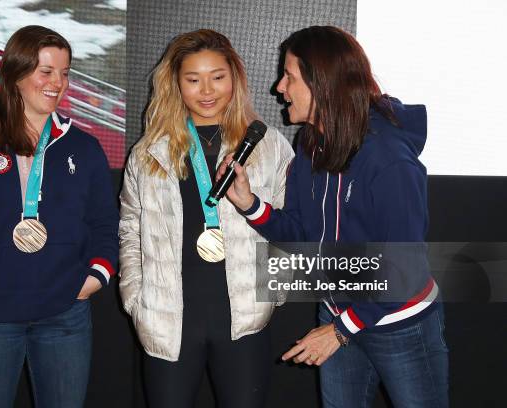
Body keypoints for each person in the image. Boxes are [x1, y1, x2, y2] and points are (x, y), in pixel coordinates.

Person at [218, 26, 448, 408]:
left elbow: (403, 268)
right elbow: (303, 234)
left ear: (322, 83)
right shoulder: (310, 143)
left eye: (289, 76)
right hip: (338, 315)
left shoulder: (388, 158)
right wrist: (249, 204)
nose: (279, 88)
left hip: (399, 325)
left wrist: (340, 331)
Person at [0, 25, 118, 408]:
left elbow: (105, 225)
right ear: (16, 73)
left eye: (65, 73)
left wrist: (94, 278)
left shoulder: (84, 149)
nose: (58, 83)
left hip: (65, 318)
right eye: (46, 71)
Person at [119, 29, 294, 408]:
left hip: (244, 320)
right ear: (176, 84)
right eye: (193, 79)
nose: (207, 90)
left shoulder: (268, 145)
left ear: (235, 76)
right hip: (168, 323)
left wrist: (273, 295)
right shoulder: (150, 151)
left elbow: (288, 224)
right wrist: (136, 297)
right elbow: (130, 227)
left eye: (218, 76)